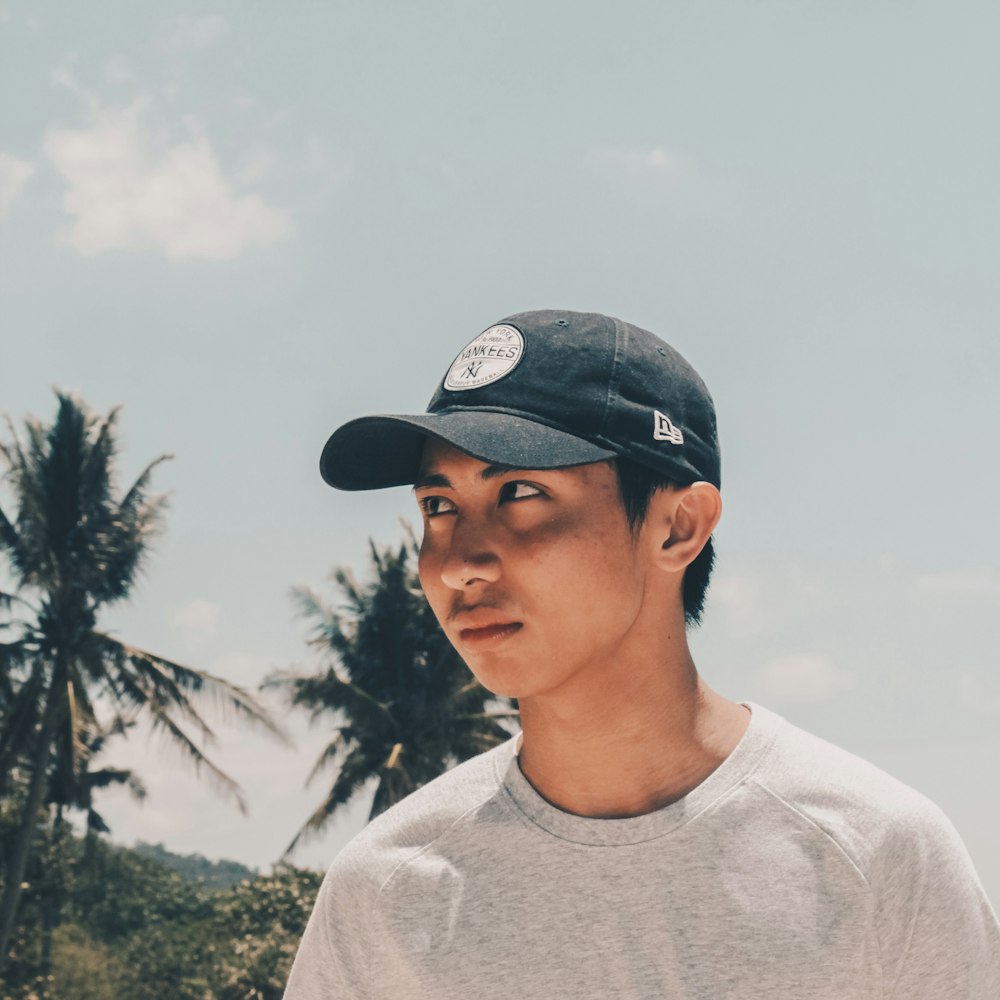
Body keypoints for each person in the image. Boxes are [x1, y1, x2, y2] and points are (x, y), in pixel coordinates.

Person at [283, 309, 1000, 999]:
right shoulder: (387, 891)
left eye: (521, 493)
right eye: (438, 508)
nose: (457, 564)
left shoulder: (876, 855)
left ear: (677, 527)